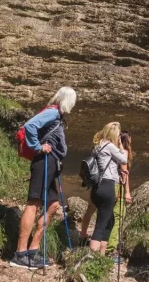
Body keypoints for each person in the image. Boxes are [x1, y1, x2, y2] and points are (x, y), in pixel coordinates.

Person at [11, 87, 76, 269]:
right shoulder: (53, 112)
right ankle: (20, 253)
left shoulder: (58, 116)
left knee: (53, 204)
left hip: (51, 163)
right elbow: (30, 125)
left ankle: (33, 250)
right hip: (43, 162)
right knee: (34, 203)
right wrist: (38, 146)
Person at [87, 121, 127, 253]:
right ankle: (92, 259)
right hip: (107, 187)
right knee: (100, 225)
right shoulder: (109, 146)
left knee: (110, 222)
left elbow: (105, 165)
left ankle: (102, 255)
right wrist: (121, 146)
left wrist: (118, 172)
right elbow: (124, 159)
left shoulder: (97, 146)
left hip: (96, 188)